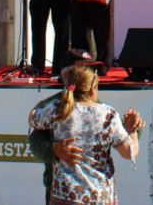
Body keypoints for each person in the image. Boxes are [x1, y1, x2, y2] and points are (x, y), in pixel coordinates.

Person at [29, 61, 144, 205]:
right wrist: (132, 131)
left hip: (66, 195)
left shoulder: (55, 110)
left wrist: (42, 104)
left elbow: (32, 117)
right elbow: (129, 153)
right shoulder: (108, 115)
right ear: (93, 88)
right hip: (99, 197)